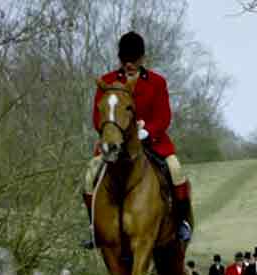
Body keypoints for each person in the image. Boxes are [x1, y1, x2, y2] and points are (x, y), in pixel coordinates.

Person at [82, 31, 193, 249]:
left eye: (133, 60)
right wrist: (113, 133)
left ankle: (181, 223)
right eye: (125, 60)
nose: (129, 64)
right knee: (89, 174)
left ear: (142, 59)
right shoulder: (107, 82)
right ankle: (94, 227)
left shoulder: (157, 82)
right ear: (120, 58)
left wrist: (147, 132)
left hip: (153, 142)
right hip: (115, 142)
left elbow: (164, 116)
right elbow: (98, 117)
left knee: (176, 169)